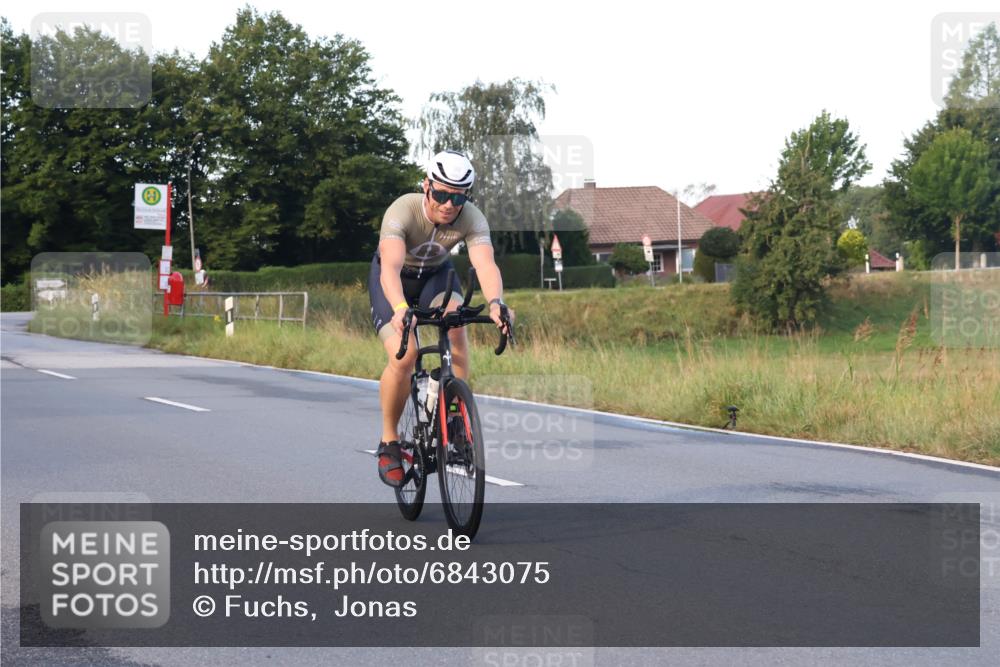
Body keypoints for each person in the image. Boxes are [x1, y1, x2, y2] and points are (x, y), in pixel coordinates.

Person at [368, 150, 514, 486]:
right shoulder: (402, 210)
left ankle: (456, 421)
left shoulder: (472, 218)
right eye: (442, 194)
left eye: (458, 197)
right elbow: (389, 267)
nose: (449, 204)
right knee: (405, 356)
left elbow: (486, 264)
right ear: (426, 187)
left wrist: (496, 303)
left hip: (436, 276)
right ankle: (389, 441)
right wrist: (401, 309)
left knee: (457, 323)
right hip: (395, 282)